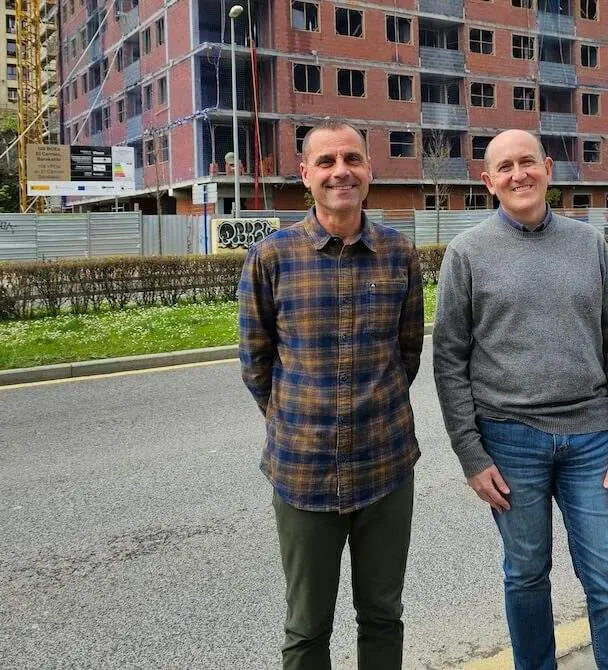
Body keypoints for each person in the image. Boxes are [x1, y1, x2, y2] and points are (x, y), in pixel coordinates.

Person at [432, 129, 608, 670]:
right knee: (526, 576)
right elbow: (449, 363)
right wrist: (472, 457)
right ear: (488, 182)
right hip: (509, 442)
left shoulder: (588, 244)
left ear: (549, 168)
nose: (518, 174)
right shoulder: (466, 254)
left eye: (528, 162)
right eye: (504, 167)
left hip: (592, 441)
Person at [237, 120, 424, 670]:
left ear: (370, 170)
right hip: (303, 472)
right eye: (326, 162)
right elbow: (256, 363)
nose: (340, 171)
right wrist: (299, 420)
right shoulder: (271, 258)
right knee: (306, 627)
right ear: (305, 175)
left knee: (383, 615)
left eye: (352, 159)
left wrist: (371, 410)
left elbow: (406, 352)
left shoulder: (398, 254)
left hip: (385, 467)